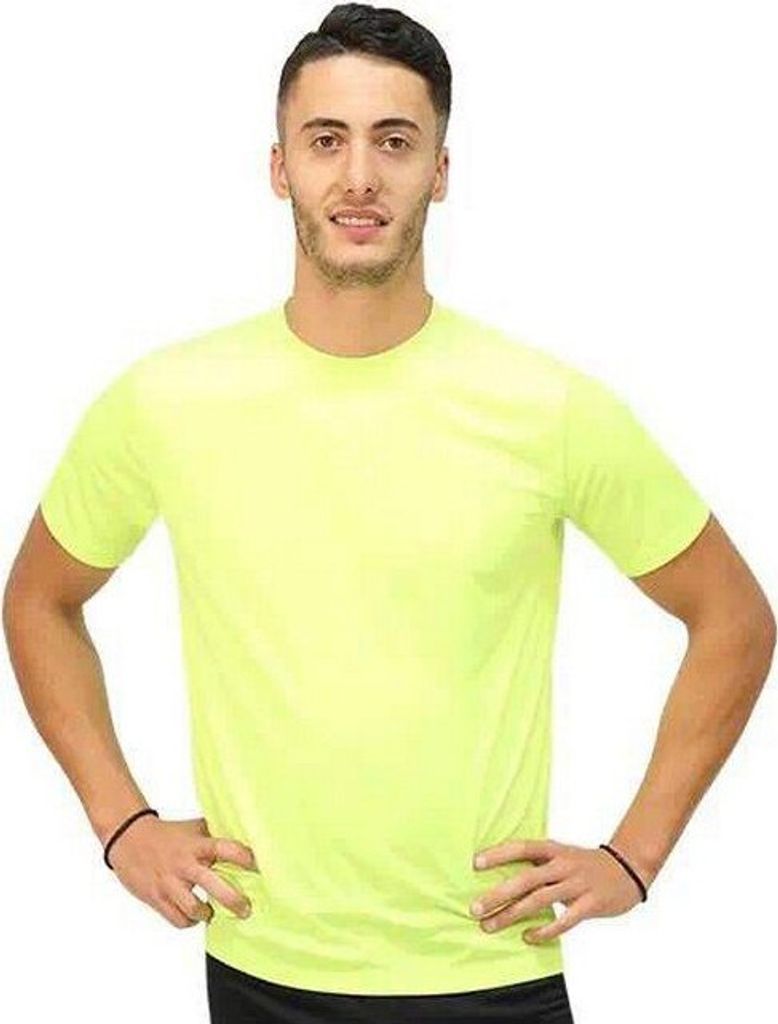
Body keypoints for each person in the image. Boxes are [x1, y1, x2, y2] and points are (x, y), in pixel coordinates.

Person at [3, 4, 775, 1023]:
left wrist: (635, 855)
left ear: (440, 172)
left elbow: (733, 617)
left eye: (394, 142)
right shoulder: (165, 402)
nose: (359, 176)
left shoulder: (548, 407)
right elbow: (40, 599)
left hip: (487, 970)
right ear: (279, 167)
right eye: (326, 140)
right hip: (262, 965)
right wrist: (121, 824)